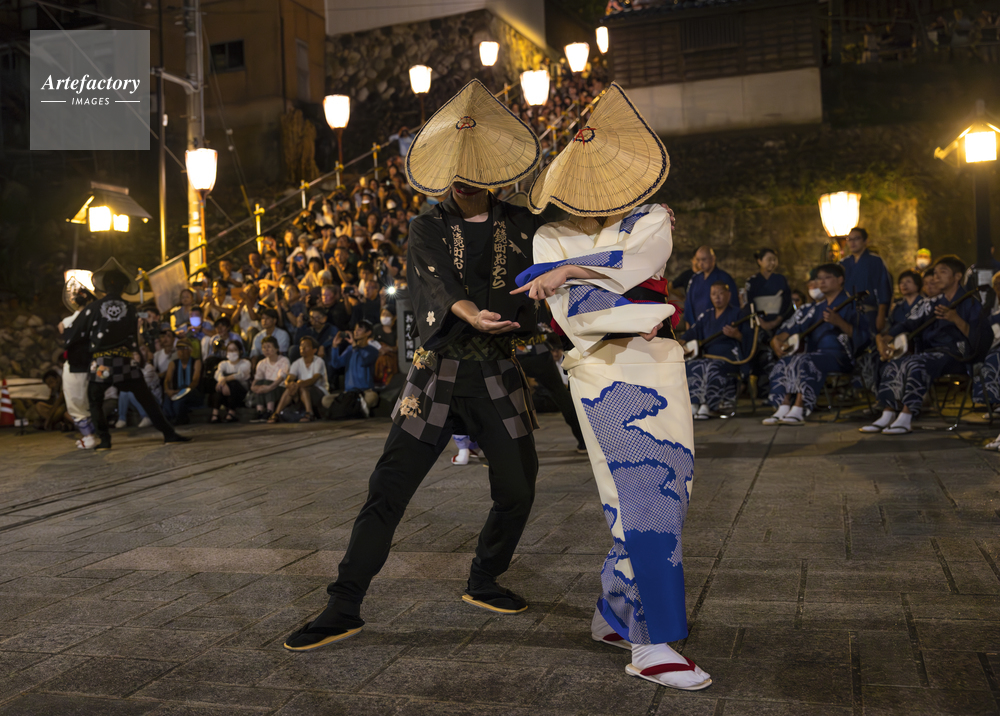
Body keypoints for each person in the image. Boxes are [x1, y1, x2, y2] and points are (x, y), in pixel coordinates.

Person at [284, 79, 551, 652]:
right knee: (388, 489)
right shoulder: (427, 225)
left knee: (518, 488)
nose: (464, 178)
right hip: (438, 372)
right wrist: (471, 313)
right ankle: (343, 604)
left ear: (492, 170)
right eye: (456, 168)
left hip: (497, 372)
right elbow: (437, 282)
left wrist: (645, 217)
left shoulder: (523, 222)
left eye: (474, 168)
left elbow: (574, 236)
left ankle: (485, 576)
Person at [513, 83, 711, 691]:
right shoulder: (550, 235)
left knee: (669, 490)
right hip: (603, 374)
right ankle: (651, 642)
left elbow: (637, 264)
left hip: (658, 364)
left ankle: (613, 611)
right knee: (643, 500)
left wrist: (572, 271)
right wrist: (623, 299)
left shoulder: (650, 218)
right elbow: (575, 314)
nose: (596, 192)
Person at [65, 257, 190, 449]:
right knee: (146, 398)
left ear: (105, 286)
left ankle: (104, 440)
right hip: (125, 362)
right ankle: (169, 433)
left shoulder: (93, 308)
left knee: (95, 399)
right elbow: (134, 338)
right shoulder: (131, 309)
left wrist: (85, 353)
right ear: (123, 287)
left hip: (102, 364)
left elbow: (73, 334)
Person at [862, 256, 983, 435]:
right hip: (932, 353)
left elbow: (979, 336)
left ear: (957, 276)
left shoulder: (971, 301)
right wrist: (887, 337)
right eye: (935, 273)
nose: (936, 277)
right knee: (895, 363)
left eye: (943, 272)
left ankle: (906, 416)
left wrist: (956, 319)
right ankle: (888, 413)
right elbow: (908, 323)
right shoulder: (930, 303)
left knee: (914, 363)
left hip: (958, 355)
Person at [762, 263, 868, 426]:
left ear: (840, 280)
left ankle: (799, 408)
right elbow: (794, 327)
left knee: (805, 361)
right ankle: (783, 406)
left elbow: (863, 336)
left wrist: (839, 322)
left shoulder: (852, 304)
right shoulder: (815, 308)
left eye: (827, 278)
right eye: (819, 278)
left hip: (841, 356)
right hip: (817, 354)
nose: (821, 282)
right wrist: (777, 339)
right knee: (785, 361)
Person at [682, 282, 745, 419]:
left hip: (729, 358)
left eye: (721, 293)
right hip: (708, 356)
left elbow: (748, 338)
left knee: (712, 367)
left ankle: (709, 405)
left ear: (728, 295)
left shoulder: (738, 314)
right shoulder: (706, 315)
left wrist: (737, 335)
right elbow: (692, 332)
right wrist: (680, 343)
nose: (717, 297)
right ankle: (694, 403)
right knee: (692, 365)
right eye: (714, 294)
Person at [744, 248, 792, 395]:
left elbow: (787, 302)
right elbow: (749, 303)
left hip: (778, 321)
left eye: (774, 260)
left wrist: (778, 319)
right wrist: (760, 322)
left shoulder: (781, 279)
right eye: (768, 259)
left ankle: (781, 389)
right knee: (760, 352)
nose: (772, 262)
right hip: (759, 323)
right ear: (759, 261)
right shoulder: (752, 281)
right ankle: (763, 389)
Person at [57, 279, 99, 449]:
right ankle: (95, 435)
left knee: (76, 403)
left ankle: (89, 436)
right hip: (94, 364)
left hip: (76, 367)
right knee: (91, 402)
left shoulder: (65, 322)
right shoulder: (96, 320)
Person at [322, 319, 380, 419]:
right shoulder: (350, 350)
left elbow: (363, 362)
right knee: (325, 400)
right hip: (349, 393)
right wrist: (335, 347)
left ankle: (352, 410)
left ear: (368, 333)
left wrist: (354, 346)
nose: (355, 332)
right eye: (355, 329)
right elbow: (336, 364)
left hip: (365, 392)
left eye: (359, 330)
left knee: (372, 397)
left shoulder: (372, 351)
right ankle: (358, 410)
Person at [270, 335, 328, 423]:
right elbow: (289, 378)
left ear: (314, 350)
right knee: (290, 389)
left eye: (306, 346)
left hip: (319, 392)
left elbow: (314, 379)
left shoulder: (319, 361)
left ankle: (309, 413)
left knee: (302, 387)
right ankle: (276, 413)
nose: (302, 348)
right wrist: (290, 384)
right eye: (301, 346)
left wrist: (298, 384)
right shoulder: (296, 363)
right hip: (301, 392)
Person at [683, 246, 738, 329]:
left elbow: (733, 304)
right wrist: (690, 329)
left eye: (704, 259)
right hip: (696, 327)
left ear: (713, 259)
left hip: (718, 327)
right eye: (698, 260)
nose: (700, 263)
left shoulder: (724, 278)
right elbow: (688, 305)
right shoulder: (695, 279)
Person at [249, 336, 290, 422]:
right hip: (266, 389)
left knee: (267, 383)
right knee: (260, 384)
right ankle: (260, 411)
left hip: (279, 388)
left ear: (276, 349)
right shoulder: (261, 363)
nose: (266, 350)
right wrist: (254, 387)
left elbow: (281, 378)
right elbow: (257, 378)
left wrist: (269, 387)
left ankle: (270, 411)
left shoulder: (284, 360)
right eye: (264, 347)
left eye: (269, 347)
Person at [209, 341, 252, 423]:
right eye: (229, 350)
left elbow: (241, 375)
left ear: (240, 351)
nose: (232, 352)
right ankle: (215, 414)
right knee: (218, 385)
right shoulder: (223, 364)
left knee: (233, 383)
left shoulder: (246, 363)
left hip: (240, 394)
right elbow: (217, 374)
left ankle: (231, 412)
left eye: (234, 350)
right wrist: (223, 383)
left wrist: (225, 380)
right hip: (225, 393)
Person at [163, 340, 203, 424]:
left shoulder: (196, 362)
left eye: (183, 348)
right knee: (168, 398)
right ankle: (168, 418)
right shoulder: (173, 363)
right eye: (179, 349)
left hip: (191, 391)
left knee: (180, 398)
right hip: (177, 391)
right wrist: (168, 390)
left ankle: (180, 418)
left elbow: (195, 381)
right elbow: (167, 380)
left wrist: (182, 391)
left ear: (190, 350)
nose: (180, 351)